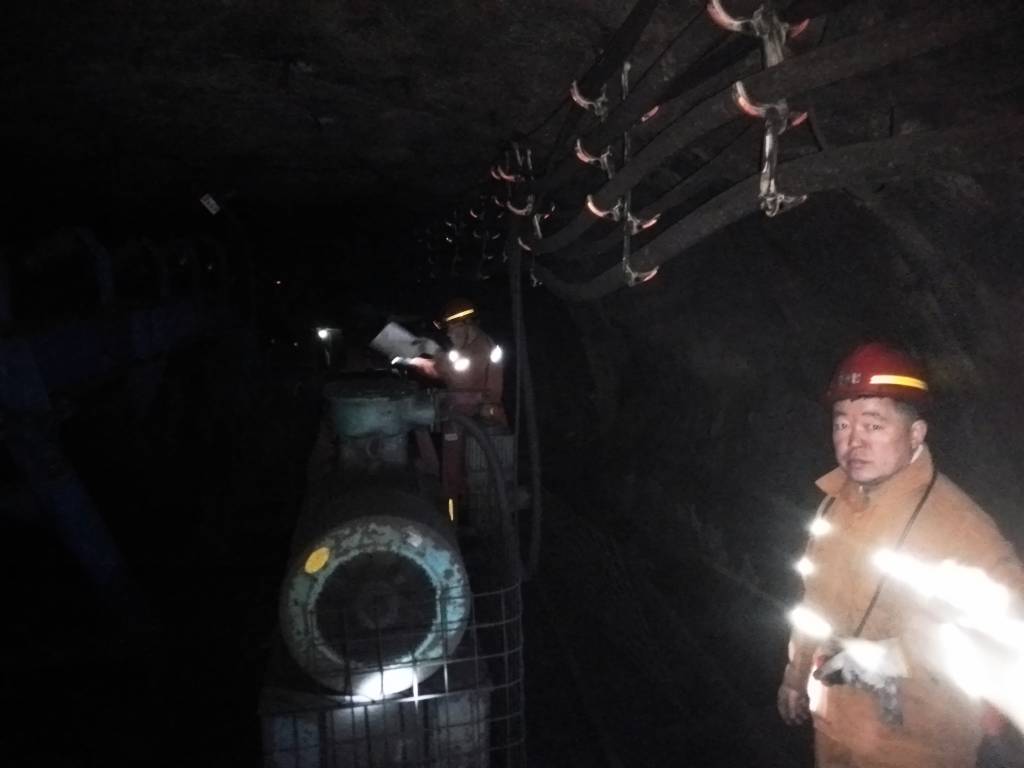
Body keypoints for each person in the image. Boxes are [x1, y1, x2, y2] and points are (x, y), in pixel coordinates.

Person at [777, 342, 1024, 767]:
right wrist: (794, 677)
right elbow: (814, 602)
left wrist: (885, 659)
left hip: (916, 748)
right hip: (835, 733)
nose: (853, 441)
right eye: (842, 424)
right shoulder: (836, 502)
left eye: (873, 425)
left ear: (915, 435)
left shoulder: (958, 527)